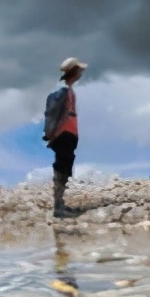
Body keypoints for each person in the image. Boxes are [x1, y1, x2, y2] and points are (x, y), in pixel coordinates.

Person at [43, 57, 87, 218]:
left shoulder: (67, 89)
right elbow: (51, 113)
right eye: (79, 70)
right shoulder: (61, 90)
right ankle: (58, 207)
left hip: (68, 134)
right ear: (73, 72)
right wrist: (49, 133)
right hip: (63, 134)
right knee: (62, 168)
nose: (81, 73)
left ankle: (60, 205)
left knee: (66, 168)